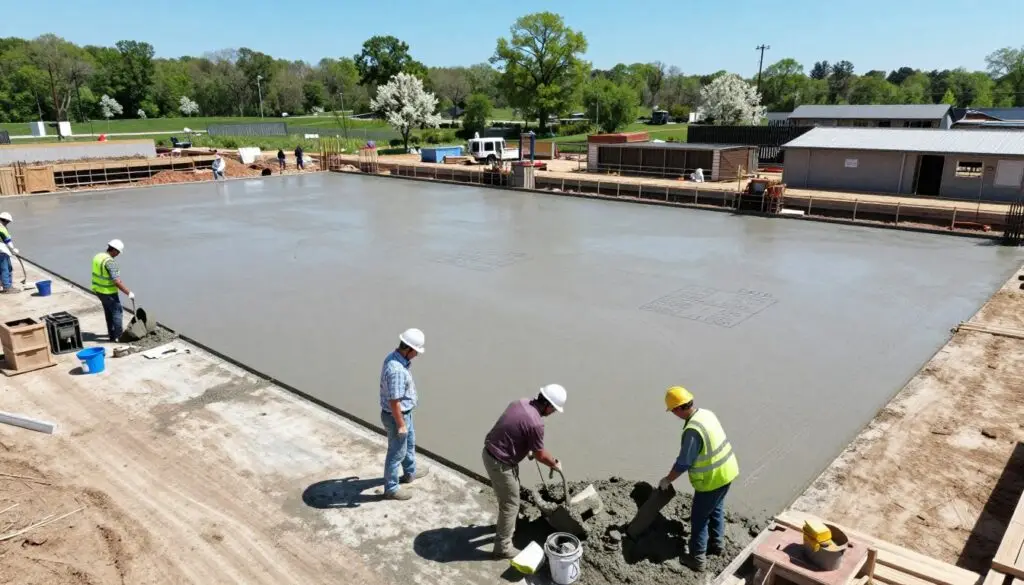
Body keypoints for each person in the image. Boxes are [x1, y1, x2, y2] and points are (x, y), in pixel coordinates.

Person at [659, 386, 739, 572]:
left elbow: (684, 462)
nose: (673, 414)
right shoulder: (706, 414)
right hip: (727, 472)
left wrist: (667, 480)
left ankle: (697, 559)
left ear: (679, 408)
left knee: (699, 518)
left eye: (672, 411)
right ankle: (717, 546)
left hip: (710, 480)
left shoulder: (692, 430)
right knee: (716, 508)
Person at [482, 384, 566, 559]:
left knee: (508, 497)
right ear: (548, 405)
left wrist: (525, 447)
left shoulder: (520, 402)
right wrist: (554, 464)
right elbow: (540, 454)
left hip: (489, 452)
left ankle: (506, 525)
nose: (553, 413)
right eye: (554, 410)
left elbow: (511, 428)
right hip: (501, 464)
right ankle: (502, 547)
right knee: (511, 505)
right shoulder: (536, 424)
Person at [379, 328, 429, 500]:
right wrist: (401, 424)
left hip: (404, 414)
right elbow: (394, 401)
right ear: (409, 349)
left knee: (409, 444)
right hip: (396, 416)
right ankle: (391, 488)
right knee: (396, 453)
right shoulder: (398, 371)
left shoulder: (394, 358)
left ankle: (410, 472)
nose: (417, 355)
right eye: (417, 351)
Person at [91, 239, 134, 342]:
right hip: (108, 292)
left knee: (108, 312)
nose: (118, 254)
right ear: (114, 250)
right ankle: (119, 336)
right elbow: (116, 282)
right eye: (118, 252)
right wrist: (129, 293)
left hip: (98, 290)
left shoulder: (98, 256)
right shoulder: (110, 262)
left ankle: (112, 335)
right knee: (117, 312)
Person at [0, 212, 19, 294]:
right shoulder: (2, 229)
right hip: (2, 252)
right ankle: (7, 287)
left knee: (4, 269)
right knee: (6, 269)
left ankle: (6, 284)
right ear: (5, 220)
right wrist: (13, 249)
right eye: (7, 222)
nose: (7, 223)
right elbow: (8, 241)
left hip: (2, 251)